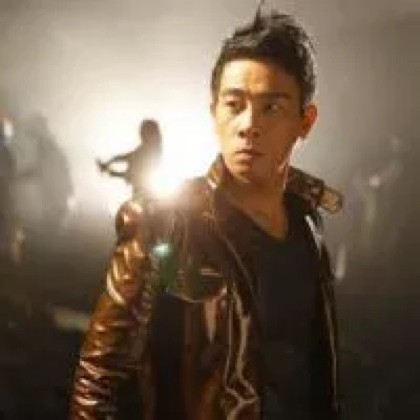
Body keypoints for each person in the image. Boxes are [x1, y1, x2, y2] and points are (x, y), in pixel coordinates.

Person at [71, 10, 342, 420]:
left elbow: (313, 370)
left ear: (305, 122)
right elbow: (99, 378)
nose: (249, 125)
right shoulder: (165, 224)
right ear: (214, 112)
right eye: (234, 105)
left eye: (271, 107)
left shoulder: (307, 222)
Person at [97, 119, 162, 198]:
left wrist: (112, 171)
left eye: (143, 132)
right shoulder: (146, 149)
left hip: (145, 193)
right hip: (143, 191)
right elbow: (127, 159)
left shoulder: (148, 151)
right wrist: (111, 164)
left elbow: (135, 175)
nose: (141, 134)